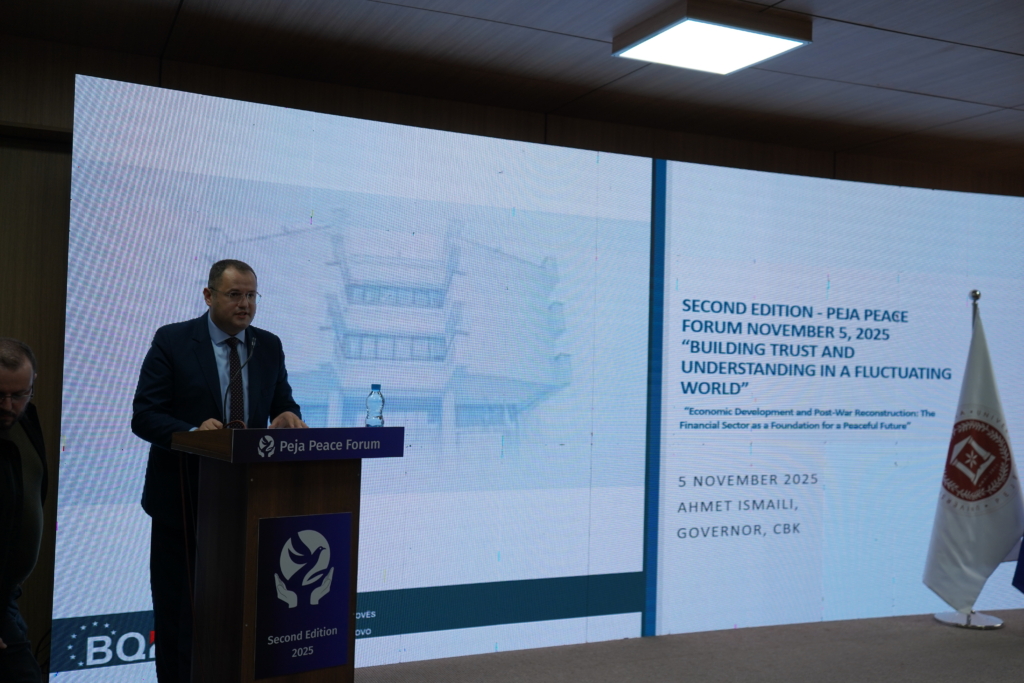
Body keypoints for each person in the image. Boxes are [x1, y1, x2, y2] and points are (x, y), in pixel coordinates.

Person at [132, 260, 307, 682]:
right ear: (209, 296)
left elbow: (282, 401)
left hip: (247, 502)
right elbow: (145, 416)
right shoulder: (173, 341)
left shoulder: (268, 345)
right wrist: (194, 433)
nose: (245, 304)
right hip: (183, 503)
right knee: (179, 616)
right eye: (235, 295)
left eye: (251, 296)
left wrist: (286, 414)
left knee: (238, 612)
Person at [0, 338, 46, 683]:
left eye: (19, 394)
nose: (9, 406)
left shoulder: (28, 418)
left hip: (9, 590)